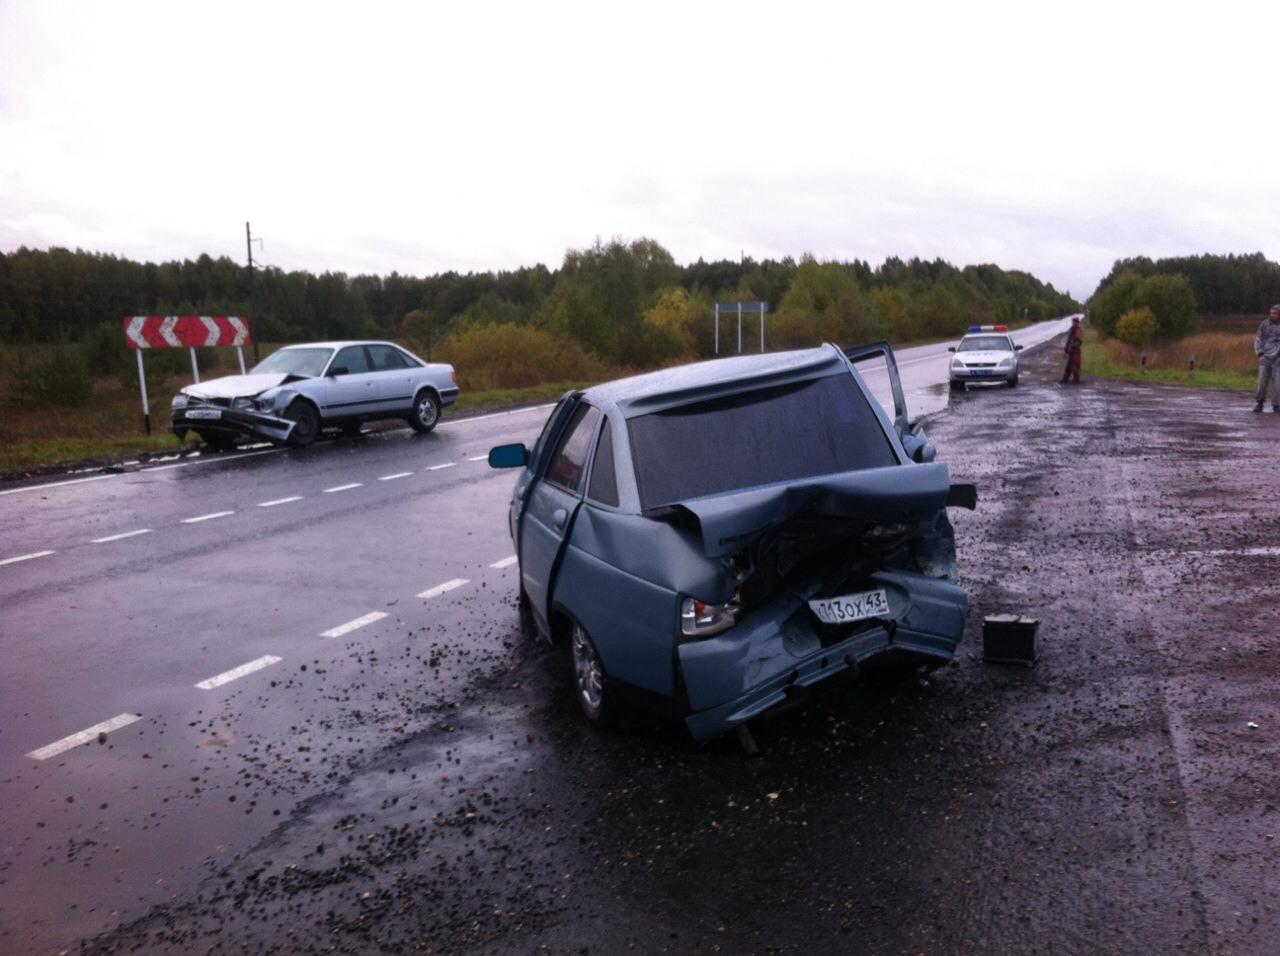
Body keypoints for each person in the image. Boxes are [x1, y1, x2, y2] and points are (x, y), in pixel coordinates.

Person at [1254, 305, 1280, 412]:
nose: (1272, 315)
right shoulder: (1264, 324)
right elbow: (1258, 338)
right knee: (1262, 383)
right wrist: (1259, 352)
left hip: (1278, 359)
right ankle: (1259, 403)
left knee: (1278, 384)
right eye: (1271, 313)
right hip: (1265, 358)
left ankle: (1276, 405)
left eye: (1275, 313)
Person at [1060, 316, 1084, 384]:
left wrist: (1073, 346)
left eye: (1075, 321)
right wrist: (1066, 348)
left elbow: (1079, 341)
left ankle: (1076, 380)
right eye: (1073, 321)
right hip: (1071, 351)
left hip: (1076, 351)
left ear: (1077, 322)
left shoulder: (1078, 330)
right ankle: (1065, 380)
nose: (1073, 322)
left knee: (1075, 366)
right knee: (1069, 366)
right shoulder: (1072, 329)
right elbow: (1069, 340)